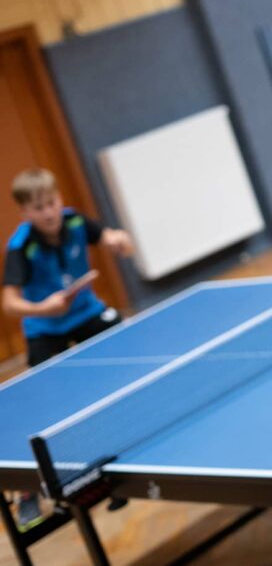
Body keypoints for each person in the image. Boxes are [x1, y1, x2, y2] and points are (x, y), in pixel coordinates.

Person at [2, 168, 133, 529]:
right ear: (25, 212)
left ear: (60, 199)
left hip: (86, 312)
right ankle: (27, 489)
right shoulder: (21, 247)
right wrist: (42, 308)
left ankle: (118, 463)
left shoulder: (74, 221)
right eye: (38, 207)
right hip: (45, 327)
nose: (49, 212)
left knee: (124, 363)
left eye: (52, 202)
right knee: (43, 406)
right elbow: (9, 303)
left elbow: (109, 236)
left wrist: (119, 240)